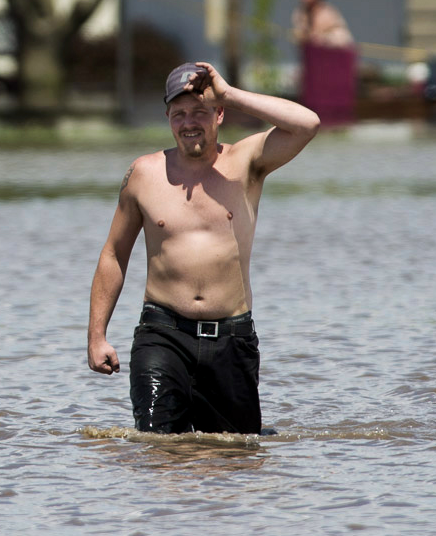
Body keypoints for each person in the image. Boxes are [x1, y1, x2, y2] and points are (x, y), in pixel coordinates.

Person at [85, 61, 320, 434]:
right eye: (179, 114)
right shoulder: (143, 174)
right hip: (162, 336)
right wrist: (97, 336)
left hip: (231, 338)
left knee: (235, 457)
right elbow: (114, 253)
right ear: (168, 118)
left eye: (200, 111)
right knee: (158, 447)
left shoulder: (246, 162)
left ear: (219, 114)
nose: (189, 122)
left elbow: (307, 124)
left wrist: (229, 92)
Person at [292, 0, 356, 125]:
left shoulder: (326, 11)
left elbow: (324, 29)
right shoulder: (302, 12)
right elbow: (303, 32)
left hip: (334, 51)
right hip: (315, 56)